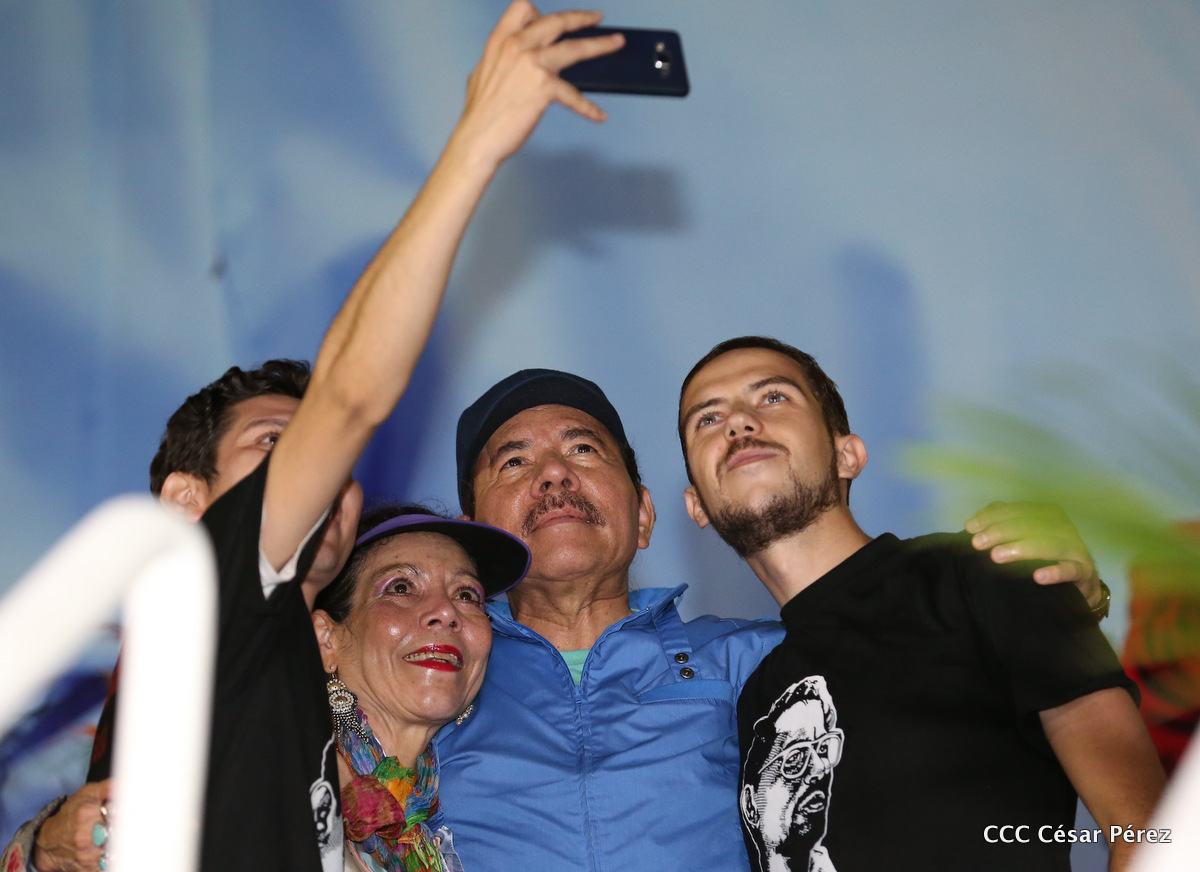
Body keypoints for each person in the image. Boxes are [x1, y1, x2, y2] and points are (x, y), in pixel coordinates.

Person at [4, 5, 624, 870]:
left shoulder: (378, 777)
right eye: (276, 449)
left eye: (468, 597)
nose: (323, 478)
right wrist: (478, 142)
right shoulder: (212, 604)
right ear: (187, 503)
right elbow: (353, 396)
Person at [434, 367, 1111, 872]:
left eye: (584, 450)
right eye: (514, 461)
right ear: (471, 539)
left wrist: (1049, 585)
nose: (553, 475)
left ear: (644, 514)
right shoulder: (428, 681)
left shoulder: (761, 662)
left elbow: (913, 645)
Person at [675, 335, 1167, 872]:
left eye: (773, 397)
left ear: (847, 455)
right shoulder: (759, 697)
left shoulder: (989, 569)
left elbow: (1150, 834)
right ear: (697, 505)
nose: (738, 423)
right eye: (708, 419)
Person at [311, 504, 529, 871]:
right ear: (326, 640)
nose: (446, 612)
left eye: (466, 595)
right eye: (401, 587)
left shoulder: (436, 831)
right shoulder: (281, 780)